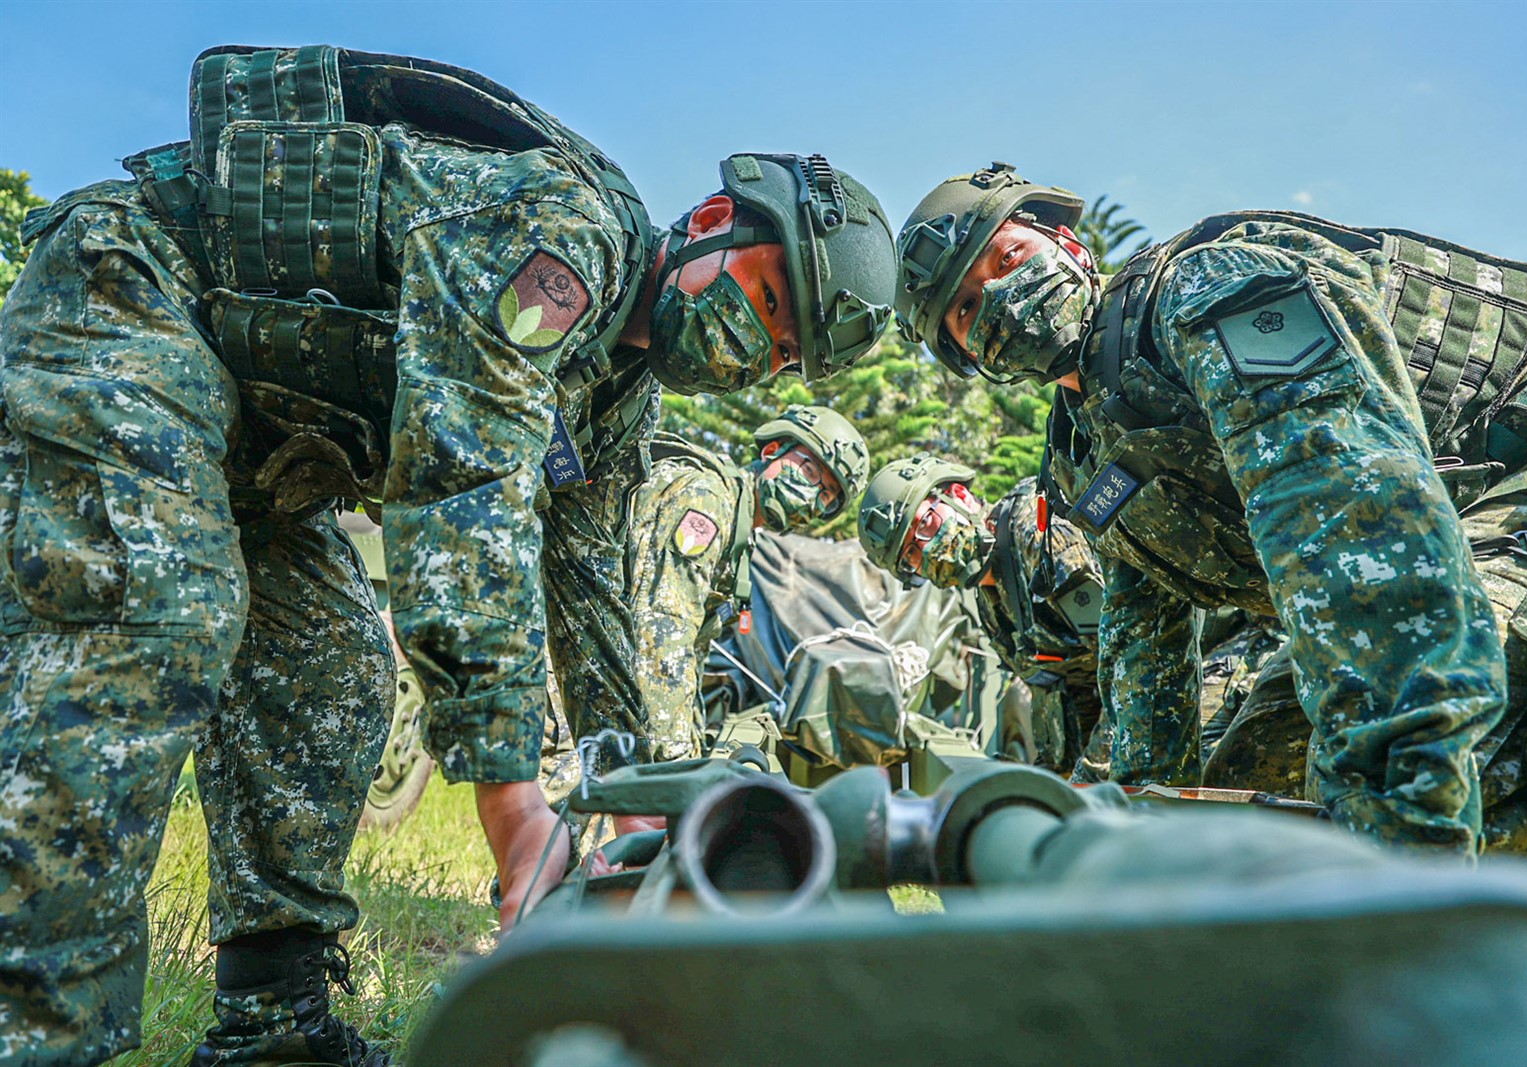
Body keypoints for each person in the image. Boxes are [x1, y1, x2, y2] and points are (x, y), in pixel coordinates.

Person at [0, 44, 896, 1067]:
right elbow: (463, 477)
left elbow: (594, 606)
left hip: (265, 442)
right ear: (712, 222)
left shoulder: (615, 401)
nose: (757, 351)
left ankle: (273, 1024)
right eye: (770, 303)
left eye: (783, 355)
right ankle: (30, 1025)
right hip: (135, 295)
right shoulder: (566, 231)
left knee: (335, 666)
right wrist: (514, 806)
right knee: (157, 606)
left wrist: (639, 813)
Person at [894, 162, 1527, 858]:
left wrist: (1398, 805)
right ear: (968, 355)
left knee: (1432, 762)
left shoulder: (1202, 289)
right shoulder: (1082, 460)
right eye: (967, 307)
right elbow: (1144, 642)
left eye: (1008, 257)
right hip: (1448, 529)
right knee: (1253, 789)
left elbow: (1351, 514)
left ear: (1067, 242)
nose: (1000, 296)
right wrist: (1140, 832)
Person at [631, 405, 869, 765]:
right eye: (809, 471)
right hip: (581, 716)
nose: (812, 496)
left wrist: (693, 751)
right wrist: (676, 765)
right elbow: (662, 632)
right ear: (771, 451)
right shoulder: (707, 501)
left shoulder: (741, 537)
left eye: (826, 497)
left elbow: (689, 659)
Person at [857, 455, 1102, 772]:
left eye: (925, 524)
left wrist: (1093, 771)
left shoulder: (1035, 532)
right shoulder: (991, 602)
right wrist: (1054, 776)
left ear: (959, 495)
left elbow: (1128, 649)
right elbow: (1063, 690)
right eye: (910, 557)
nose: (926, 551)